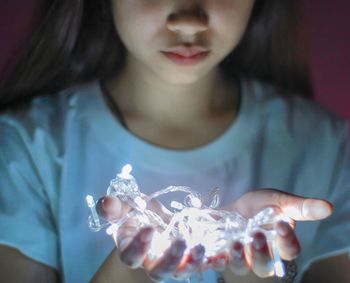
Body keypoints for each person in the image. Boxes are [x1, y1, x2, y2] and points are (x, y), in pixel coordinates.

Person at [0, 0, 349, 282]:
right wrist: (125, 274)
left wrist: (253, 277)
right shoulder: (25, 149)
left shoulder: (327, 150)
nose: (189, 20)